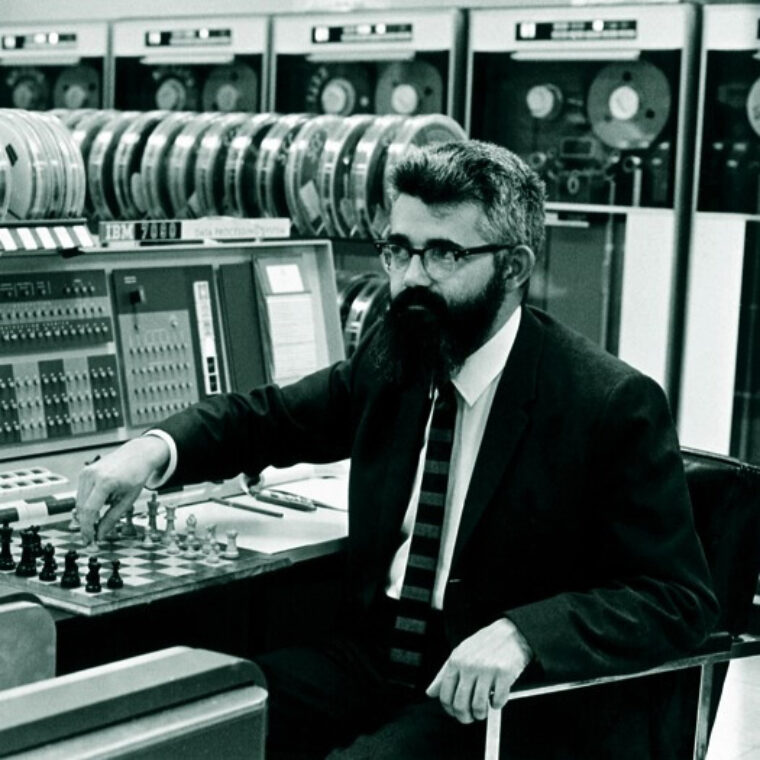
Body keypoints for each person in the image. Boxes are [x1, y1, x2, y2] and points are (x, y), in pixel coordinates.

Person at [76, 140, 718, 759]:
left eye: (443, 254)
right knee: (182, 725)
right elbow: (270, 418)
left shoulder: (607, 402)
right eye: (399, 250)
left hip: (488, 700)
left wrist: (524, 633)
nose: (410, 278)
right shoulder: (398, 354)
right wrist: (153, 449)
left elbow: (676, 597)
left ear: (514, 268)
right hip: (368, 660)